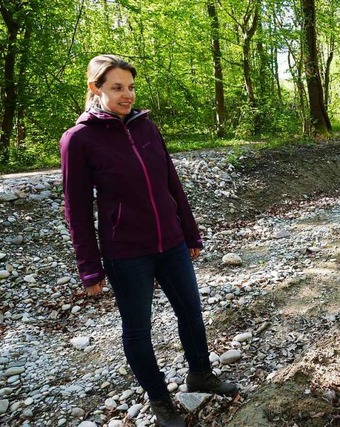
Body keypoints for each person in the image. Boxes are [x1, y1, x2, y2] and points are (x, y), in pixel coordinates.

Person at [60, 55, 238, 427]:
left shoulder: (147, 128)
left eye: (130, 86)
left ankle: (201, 374)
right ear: (95, 89)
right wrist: (89, 267)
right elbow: (76, 209)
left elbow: (172, 185)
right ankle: (159, 400)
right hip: (126, 253)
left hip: (171, 243)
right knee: (138, 330)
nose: (128, 95)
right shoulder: (78, 140)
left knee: (191, 312)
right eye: (117, 88)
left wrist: (189, 232)